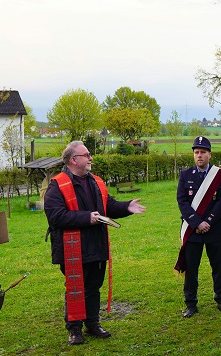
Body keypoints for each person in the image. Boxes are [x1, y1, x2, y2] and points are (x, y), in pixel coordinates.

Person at [45, 141, 146, 345]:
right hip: (72, 248)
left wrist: (127, 207)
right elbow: (56, 216)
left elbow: (108, 205)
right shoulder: (57, 185)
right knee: (75, 287)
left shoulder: (96, 181)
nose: (91, 158)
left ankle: (92, 324)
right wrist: (86, 218)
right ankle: (74, 329)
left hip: (96, 245)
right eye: (87, 154)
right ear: (74, 159)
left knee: (93, 286)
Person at [175, 136, 221, 316]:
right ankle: (191, 303)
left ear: (209, 154)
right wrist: (197, 222)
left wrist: (208, 221)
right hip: (193, 230)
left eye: (203, 152)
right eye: (196, 152)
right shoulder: (185, 175)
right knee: (191, 269)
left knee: (218, 267)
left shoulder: (220, 175)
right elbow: (182, 201)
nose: (199, 155)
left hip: (214, 228)